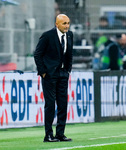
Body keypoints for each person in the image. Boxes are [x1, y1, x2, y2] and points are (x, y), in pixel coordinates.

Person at [34, 14, 73, 142]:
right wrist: (43, 72)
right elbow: (38, 54)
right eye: (64, 23)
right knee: (50, 104)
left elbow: (69, 54)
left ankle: (60, 134)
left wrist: (68, 70)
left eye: (68, 23)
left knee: (63, 104)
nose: (67, 26)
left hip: (63, 74)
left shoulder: (69, 35)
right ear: (57, 24)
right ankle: (48, 134)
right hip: (50, 75)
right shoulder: (48, 35)